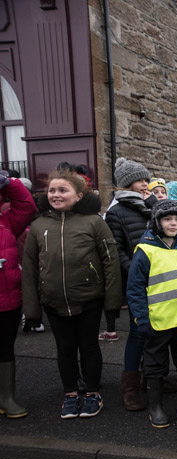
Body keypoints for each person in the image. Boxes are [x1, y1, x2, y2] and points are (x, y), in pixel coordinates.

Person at [22, 169, 122, 419]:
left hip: (88, 298)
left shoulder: (94, 222)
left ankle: (91, 392)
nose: (56, 194)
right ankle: (70, 393)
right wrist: (32, 311)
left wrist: (112, 302)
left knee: (88, 346)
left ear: (78, 195)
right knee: (64, 348)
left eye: (62, 190)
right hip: (54, 302)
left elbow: (111, 263)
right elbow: (31, 268)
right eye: (52, 190)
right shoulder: (39, 225)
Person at [127, 200, 177, 428]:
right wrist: (141, 318)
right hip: (157, 322)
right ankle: (156, 407)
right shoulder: (145, 251)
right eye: (167, 219)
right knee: (155, 366)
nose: (173, 224)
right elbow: (135, 289)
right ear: (157, 222)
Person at [105, 157, 166, 410]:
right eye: (142, 180)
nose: (146, 184)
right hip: (136, 281)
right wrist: (138, 272)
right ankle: (130, 385)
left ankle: (152, 377)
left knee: (161, 330)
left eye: (147, 180)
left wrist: (153, 203)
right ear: (128, 183)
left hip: (161, 280)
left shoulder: (151, 206)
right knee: (137, 333)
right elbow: (117, 250)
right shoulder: (115, 212)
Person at [0, 170, 36, 418]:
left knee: (5, 348)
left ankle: (6, 397)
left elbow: (27, 206)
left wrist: (9, 182)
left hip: (8, 299)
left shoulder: (7, 220)